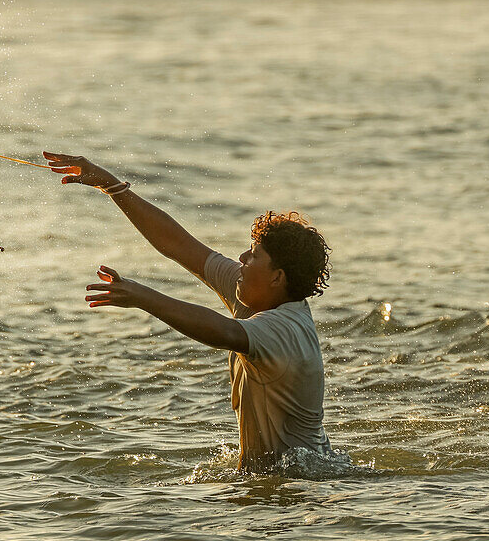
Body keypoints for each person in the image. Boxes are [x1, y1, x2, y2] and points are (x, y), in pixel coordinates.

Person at [43, 151, 334, 473]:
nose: (241, 259)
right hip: (282, 476)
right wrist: (111, 186)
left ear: (277, 277)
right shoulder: (254, 295)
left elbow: (224, 332)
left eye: (253, 256)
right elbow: (179, 244)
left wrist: (145, 297)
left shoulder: (285, 328)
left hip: (303, 482)